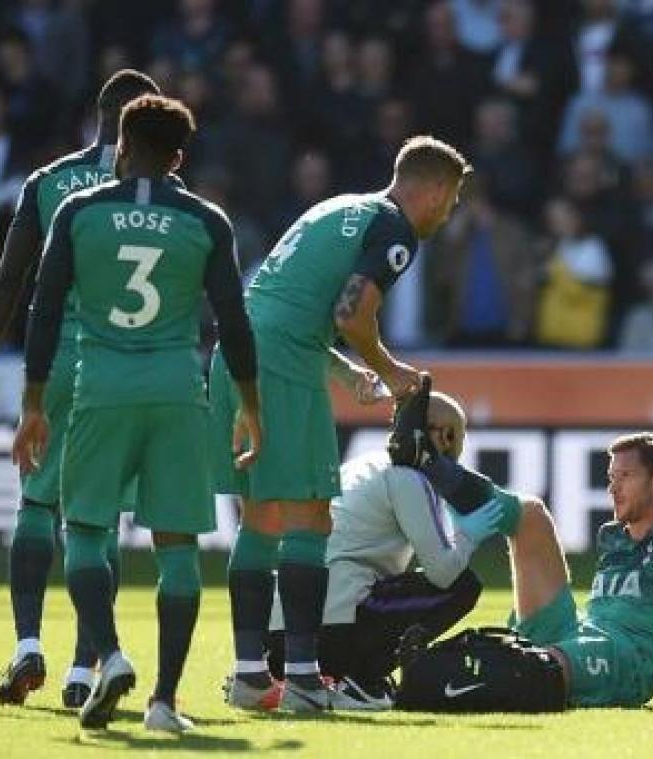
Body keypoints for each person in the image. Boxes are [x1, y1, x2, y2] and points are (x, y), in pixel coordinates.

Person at [12, 94, 260, 734]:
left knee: (88, 532)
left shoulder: (78, 211)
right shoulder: (207, 220)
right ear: (179, 157)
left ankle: (112, 654)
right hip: (179, 396)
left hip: (101, 391)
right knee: (178, 550)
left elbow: (42, 312)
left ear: (120, 148)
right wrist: (250, 409)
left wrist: (33, 404)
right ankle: (164, 703)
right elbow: (233, 321)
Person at [213, 135, 471, 713]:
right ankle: (304, 677)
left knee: (260, 520)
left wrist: (348, 369)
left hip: (237, 357)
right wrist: (390, 369)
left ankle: (251, 674)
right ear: (431, 189)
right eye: (451, 199)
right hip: (281, 366)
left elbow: (280, 302)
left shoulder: (337, 210)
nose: (449, 212)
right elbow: (352, 313)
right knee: (310, 519)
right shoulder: (393, 230)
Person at [0, 69, 161, 710]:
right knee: (96, 520)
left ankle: (26, 644)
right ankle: (84, 664)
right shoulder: (160, 192)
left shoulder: (47, 184)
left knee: (37, 506)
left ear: (95, 117)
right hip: (126, 369)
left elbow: (7, 276)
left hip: (57, 361)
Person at [392, 400, 653, 709]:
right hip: (579, 632)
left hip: (624, 660)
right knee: (532, 515)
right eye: (610, 477)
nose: (613, 487)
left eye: (625, 477)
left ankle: (433, 681)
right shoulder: (613, 535)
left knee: (534, 666)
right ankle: (434, 466)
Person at [257, 392, 504, 710]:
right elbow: (443, 574)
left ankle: (313, 676)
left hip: (284, 640)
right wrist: (467, 537)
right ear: (447, 435)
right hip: (335, 631)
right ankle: (359, 679)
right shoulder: (409, 478)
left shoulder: (363, 464)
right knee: (463, 585)